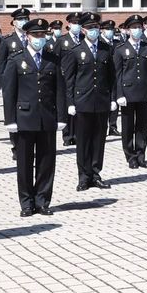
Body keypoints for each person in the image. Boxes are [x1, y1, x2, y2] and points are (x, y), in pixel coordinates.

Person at [1, 18, 65, 217]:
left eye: (42, 35)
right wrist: (9, 119)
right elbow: (9, 92)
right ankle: (27, 202)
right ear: (27, 36)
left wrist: (61, 116)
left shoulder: (52, 59)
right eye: (35, 35)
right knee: (25, 163)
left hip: (47, 117)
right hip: (24, 118)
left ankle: (43, 200)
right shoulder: (16, 60)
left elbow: (60, 91)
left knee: (47, 162)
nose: (39, 38)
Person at [61, 12, 116, 192]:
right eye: (90, 28)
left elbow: (112, 77)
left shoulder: (106, 49)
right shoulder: (75, 51)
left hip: (101, 101)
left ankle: (95, 173)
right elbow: (69, 80)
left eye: (96, 27)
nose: (94, 30)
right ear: (83, 30)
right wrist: (70, 103)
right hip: (82, 102)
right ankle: (83, 176)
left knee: (99, 140)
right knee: (83, 140)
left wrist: (113, 98)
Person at [114, 14, 147, 169]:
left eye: (139, 27)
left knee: (142, 126)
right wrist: (119, 94)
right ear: (128, 30)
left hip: (144, 93)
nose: (137, 30)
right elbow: (117, 74)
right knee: (128, 126)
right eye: (134, 27)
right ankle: (130, 156)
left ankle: (141, 154)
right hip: (127, 93)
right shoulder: (120, 49)